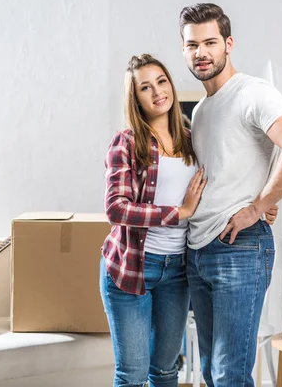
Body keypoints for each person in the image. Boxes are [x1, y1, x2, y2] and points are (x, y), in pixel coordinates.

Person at [179, 3, 282, 387]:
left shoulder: (253, 92)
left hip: (239, 248)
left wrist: (260, 206)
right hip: (199, 248)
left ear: (229, 44)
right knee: (210, 373)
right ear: (184, 50)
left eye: (210, 42)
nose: (201, 52)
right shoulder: (203, 109)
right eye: (192, 45)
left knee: (230, 375)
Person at [100, 53, 206, 387]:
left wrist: (264, 204)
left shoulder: (193, 141)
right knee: (131, 374)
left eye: (161, 81)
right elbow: (116, 208)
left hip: (177, 271)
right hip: (131, 266)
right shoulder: (127, 143)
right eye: (145, 87)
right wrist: (179, 213)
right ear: (136, 98)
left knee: (164, 371)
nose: (157, 91)